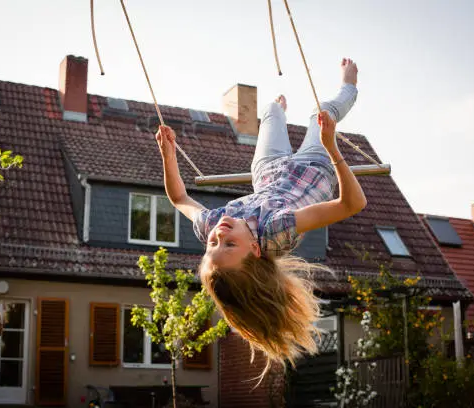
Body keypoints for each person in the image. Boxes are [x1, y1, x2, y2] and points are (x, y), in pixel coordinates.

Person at [155, 58, 366, 378]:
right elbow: (351, 204)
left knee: (270, 111)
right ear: (255, 251)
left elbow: (180, 198)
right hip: (311, 170)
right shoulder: (275, 232)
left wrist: (168, 157)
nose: (220, 233)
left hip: (268, 173)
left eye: (213, 243)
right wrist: (332, 148)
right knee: (321, 114)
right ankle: (349, 85)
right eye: (229, 244)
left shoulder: (213, 223)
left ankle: (278, 108)